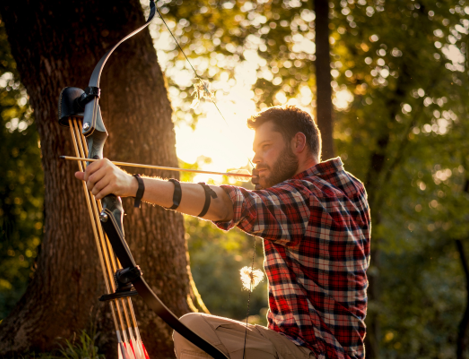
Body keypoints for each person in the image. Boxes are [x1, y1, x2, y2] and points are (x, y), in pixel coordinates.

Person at [75, 105, 371, 359]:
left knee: (193, 330)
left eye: (266, 147)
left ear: (298, 143)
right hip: (334, 351)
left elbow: (231, 204)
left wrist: (131, 185)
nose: (256, 160)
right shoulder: (348, 188)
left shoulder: (307, 199)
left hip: (311, 352)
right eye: (255, 151)